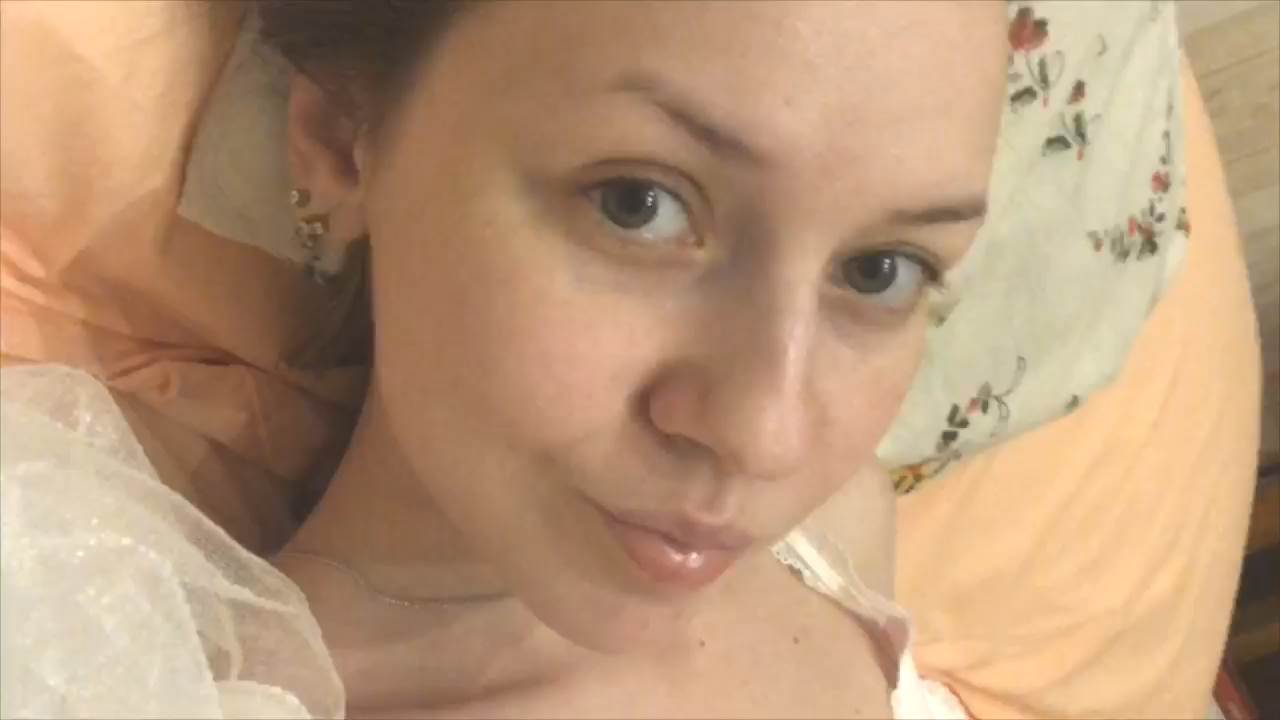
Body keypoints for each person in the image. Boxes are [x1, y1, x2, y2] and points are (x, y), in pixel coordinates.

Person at [1, 1, 1006, 717]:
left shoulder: (833, 539)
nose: (765, 435)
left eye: (879, 271)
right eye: (639, 204)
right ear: (343, 141)